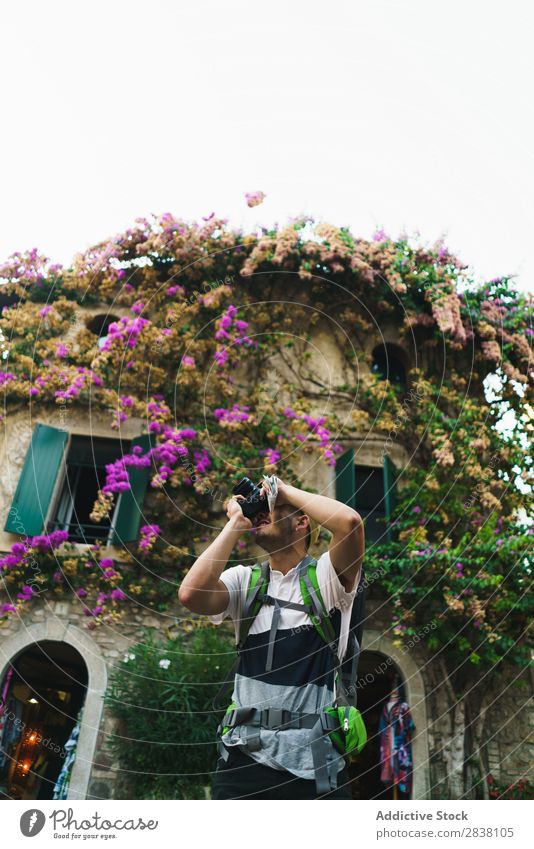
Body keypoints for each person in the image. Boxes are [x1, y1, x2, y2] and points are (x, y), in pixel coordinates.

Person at [178, 475, 365, 799]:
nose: (263, 511)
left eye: (275, 508)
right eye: (261, 508)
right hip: (243, 758)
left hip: (314, 765)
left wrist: (283, 491)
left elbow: (350, 523)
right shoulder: (245, 581)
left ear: (302, 521)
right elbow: (191, 594)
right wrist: (236, 522)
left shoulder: (324, 579)